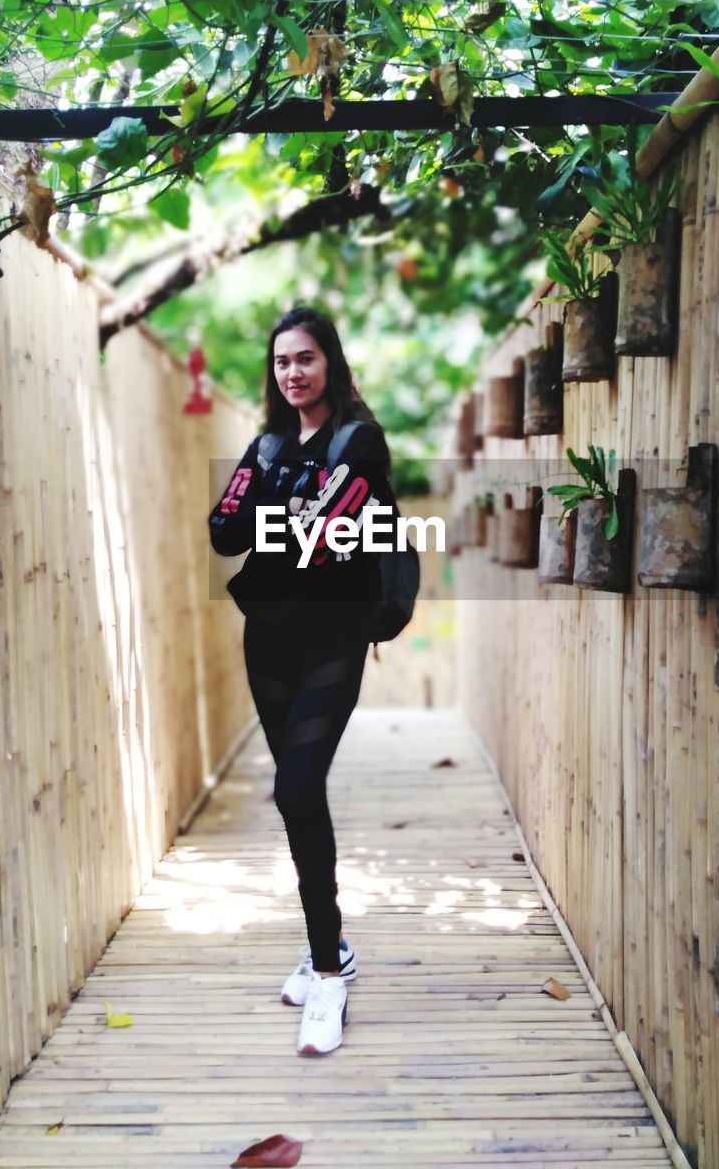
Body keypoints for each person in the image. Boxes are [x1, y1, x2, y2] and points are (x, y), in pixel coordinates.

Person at [208, 306, 393, 1056]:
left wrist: (269, 510)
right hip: (270, 638)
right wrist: (281, 510)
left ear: (331, 365)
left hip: (334, 639)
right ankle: (330, 942)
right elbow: (222, 533)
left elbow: (322, 537)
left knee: (293, 786)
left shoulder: (360, 441)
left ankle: (327, 972)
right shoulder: (268, 441)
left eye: (306, 359)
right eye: (283, 362)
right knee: (299, 795)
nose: (293, 373)